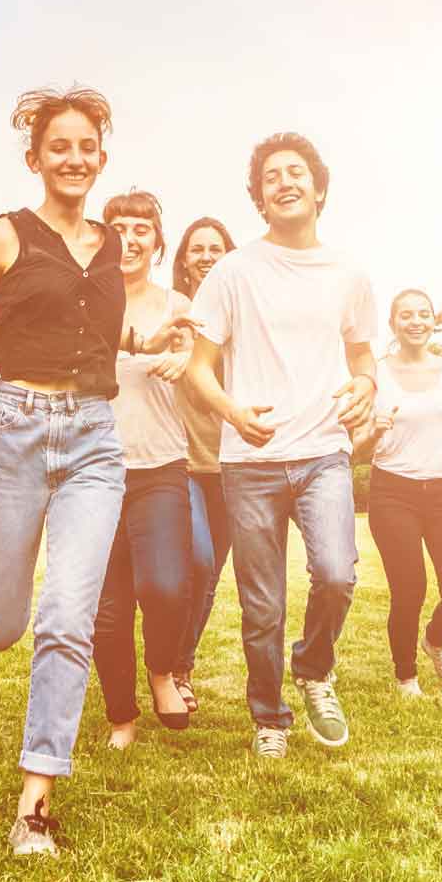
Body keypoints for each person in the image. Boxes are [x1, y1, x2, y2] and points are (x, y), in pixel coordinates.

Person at [0, 87, 189, 856]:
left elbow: (98, 330)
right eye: (57, 146)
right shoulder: (4, 235)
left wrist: (153, 339)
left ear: (102, 156)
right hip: (14, 434)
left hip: (97, 441)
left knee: (69, 615)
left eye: (86, 146)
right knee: (4, 623)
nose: (73, 158)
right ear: (34, 158)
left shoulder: (108, 247)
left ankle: (35, 802)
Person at [184, 132, 380, 760]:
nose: (284, 182)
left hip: (323, 451)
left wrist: (368, 385)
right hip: (250, 463)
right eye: (271, 177)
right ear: (259, 198)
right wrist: (231, 411)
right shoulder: (233, 271)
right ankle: (269, 715)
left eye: (296, 172)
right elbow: (199, 366)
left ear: (319, 189)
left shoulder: (349, 272)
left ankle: (315, 666)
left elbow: (361, 354)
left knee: (336, 575)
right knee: (261, 605)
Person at [91, 191, 195, 750]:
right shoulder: (83, 302)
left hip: (160, 468)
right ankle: (122, 717)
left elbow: (193, 358)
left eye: (141, 229)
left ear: (157, 241)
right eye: (118, 228)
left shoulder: (176, 305)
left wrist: (184, 357)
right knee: (106, 612)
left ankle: (161, 671)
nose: (129, 239)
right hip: (95, 475)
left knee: (166, 587)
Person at [365, 290, 442, 697]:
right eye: (406, 315)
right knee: (409, 589)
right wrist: (372, 429)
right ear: (393, 324)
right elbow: (355, 442)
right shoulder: (375, 375)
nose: (416, 321)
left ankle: (435, 642)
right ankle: (405, 676)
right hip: (393, 491)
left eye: (423, 314)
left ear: (433, 321)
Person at [171, 215, 238, 712]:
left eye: (216, 248)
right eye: (197, 248)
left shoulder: (244, 319)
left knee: (209, 575)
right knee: (197, 561)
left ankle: (180, 667)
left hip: (235, 465)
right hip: (183, 463)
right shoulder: (175, 314)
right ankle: (169, 663)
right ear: (184, 259)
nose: (207, 255)